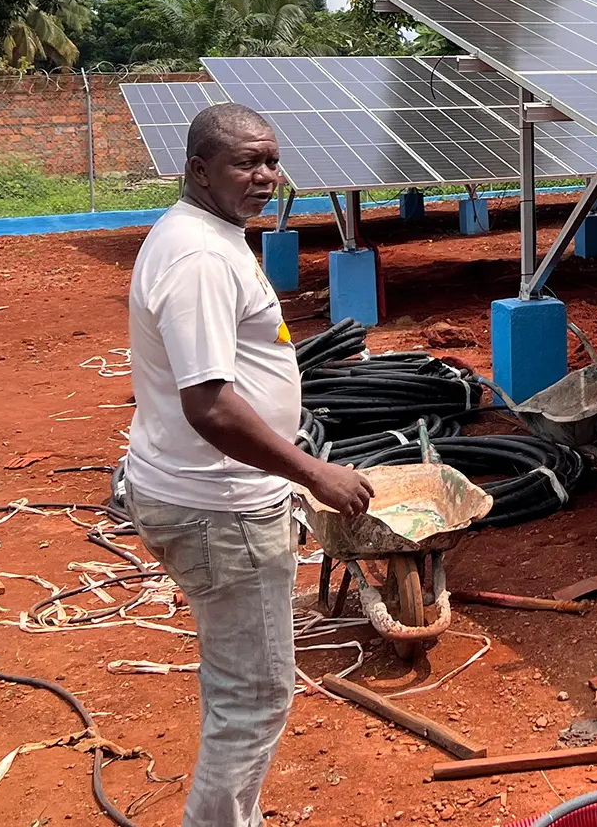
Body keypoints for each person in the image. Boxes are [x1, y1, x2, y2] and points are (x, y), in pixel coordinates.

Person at [123, 101, 372, 826]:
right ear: (199, 169)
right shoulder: (200, 255)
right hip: (222, 509)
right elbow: (210, 405)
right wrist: (312, 472)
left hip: (208, 497)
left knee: (239, 682)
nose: (265, 175)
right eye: (244, 162)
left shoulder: (209, 235)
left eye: (270, 160)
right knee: (254, 696)